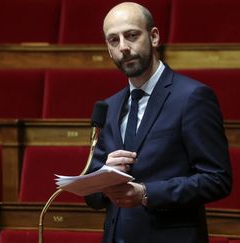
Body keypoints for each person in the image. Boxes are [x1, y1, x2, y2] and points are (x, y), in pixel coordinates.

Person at [84, 2, 232, 243]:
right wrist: (103, 174)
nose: (124, 47)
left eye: (131, 35)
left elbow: (217, 179)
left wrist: (147, 193)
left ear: (153, 37)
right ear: (108, 49)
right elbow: (93, 198)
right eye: (114, 40)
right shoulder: (109, 107)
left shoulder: (192, 97)